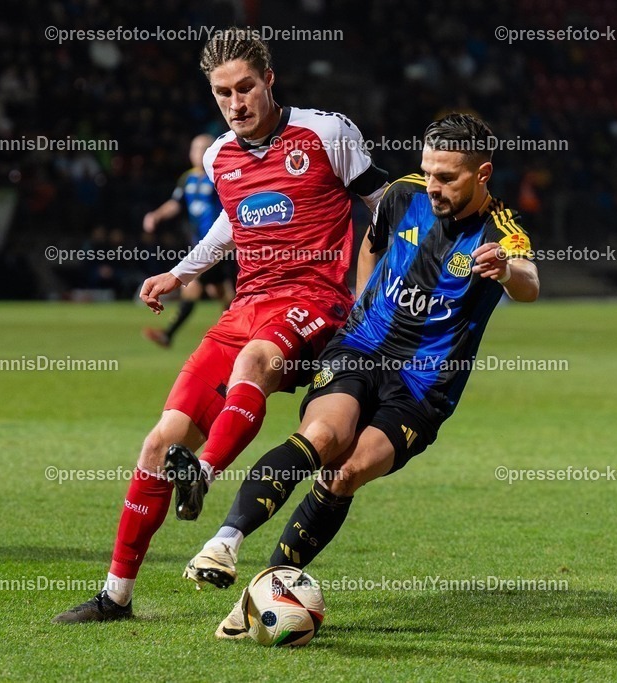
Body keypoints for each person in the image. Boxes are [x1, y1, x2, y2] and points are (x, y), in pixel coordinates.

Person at [53, 28, 388, 623]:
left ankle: (203, 472)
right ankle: (116, 596)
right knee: (159, 441)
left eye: (245, 88)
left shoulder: (326, 134)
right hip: (246, 304)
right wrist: (179, 275)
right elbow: (230, 227)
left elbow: (384, 201)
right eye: (222, 93)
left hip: (315, 301)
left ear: (270, 81)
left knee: (252, 363)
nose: (236, 103)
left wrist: (401, 274)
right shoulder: (218, 157)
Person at [181, 113, 540, 639]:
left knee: (343, 475)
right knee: (323, 437)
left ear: (482, 173)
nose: (434, 186)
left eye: (448, 177)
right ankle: (224, 541)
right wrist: (362, 305)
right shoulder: (402, 195)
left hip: (423, 386)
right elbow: (373, 241)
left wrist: (507, 271)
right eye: (429, 172)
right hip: (362, 349)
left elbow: (529, 280)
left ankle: (257, 596)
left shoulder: (499, 232)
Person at [141, 133, 235, 348]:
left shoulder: (220, 175)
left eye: (204, 148)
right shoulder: (187, 179)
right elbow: (176, 204)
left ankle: (170, 334)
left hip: (220, 245)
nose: (199, 153)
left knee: (195, 287)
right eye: (195, 149)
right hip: (198, 244)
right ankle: (230, 333)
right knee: (220, 292)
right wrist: (156, 215)